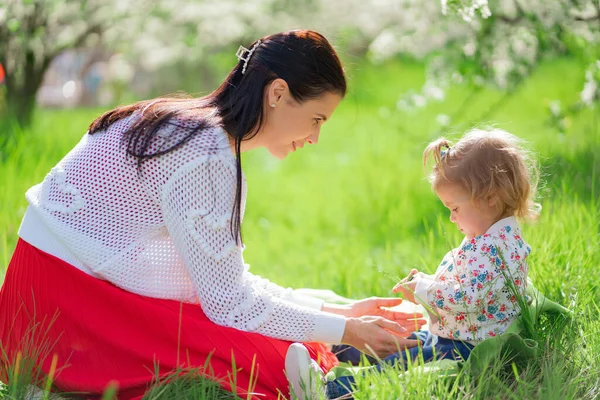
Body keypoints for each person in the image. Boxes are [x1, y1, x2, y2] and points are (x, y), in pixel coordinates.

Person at [0, 30, 425, 400]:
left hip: (54, 287)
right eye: (315, 119)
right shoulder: (202, 151)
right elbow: (228, 302)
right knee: (274, 366)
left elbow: (227, 285)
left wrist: (345, 314)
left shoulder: (197, 129)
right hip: (61, 309)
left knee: (293, 347)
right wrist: (345, 329)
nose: (314, 137)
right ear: (277, 93)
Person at [296, 128, 541, 398]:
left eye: (455, 209)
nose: (451, 218)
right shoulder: (491, 237)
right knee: (402, 343)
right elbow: (470, 285)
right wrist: (431, 282)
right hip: (453, 332)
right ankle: (331, 348)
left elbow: (469, 298)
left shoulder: (496, 248)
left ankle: (327, 391)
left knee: (395, 366)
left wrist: (424, 289)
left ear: (490, 198)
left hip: (465, 345)